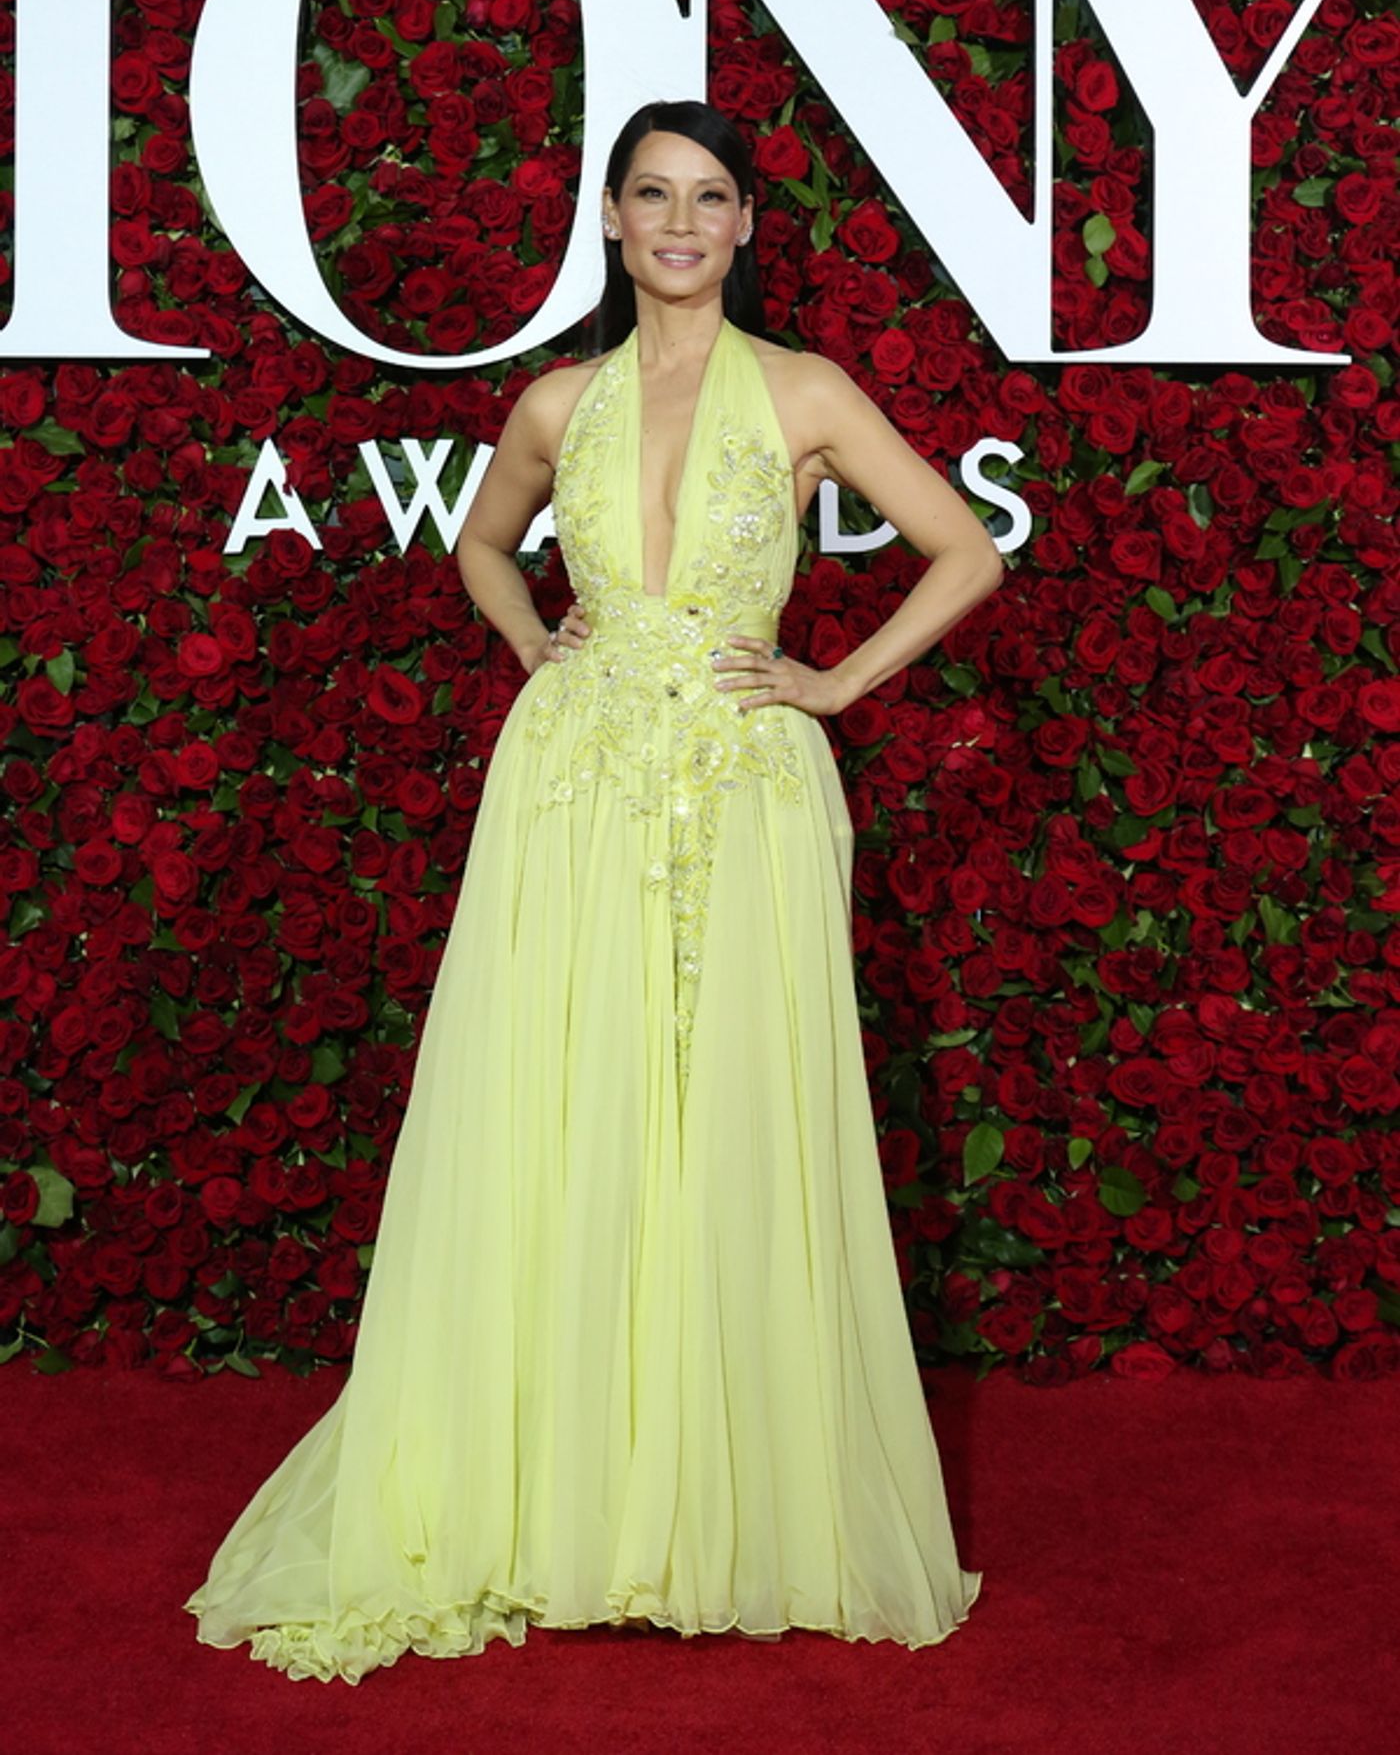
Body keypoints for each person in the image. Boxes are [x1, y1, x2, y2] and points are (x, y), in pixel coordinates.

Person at [183, 98, 1000, 1683]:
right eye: (652, 196)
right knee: (567, 1113)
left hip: (751, 792)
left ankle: (725, 1502)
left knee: (734, 1119)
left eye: (710, 197)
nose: (682, 223)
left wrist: (834, 685)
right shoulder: (563, 400)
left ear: (750, 224)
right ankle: (562, 1493)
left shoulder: (810, 390)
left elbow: (964, 551)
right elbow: (488, 549)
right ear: (612, 222)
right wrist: (530, 648)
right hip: (570, 786)